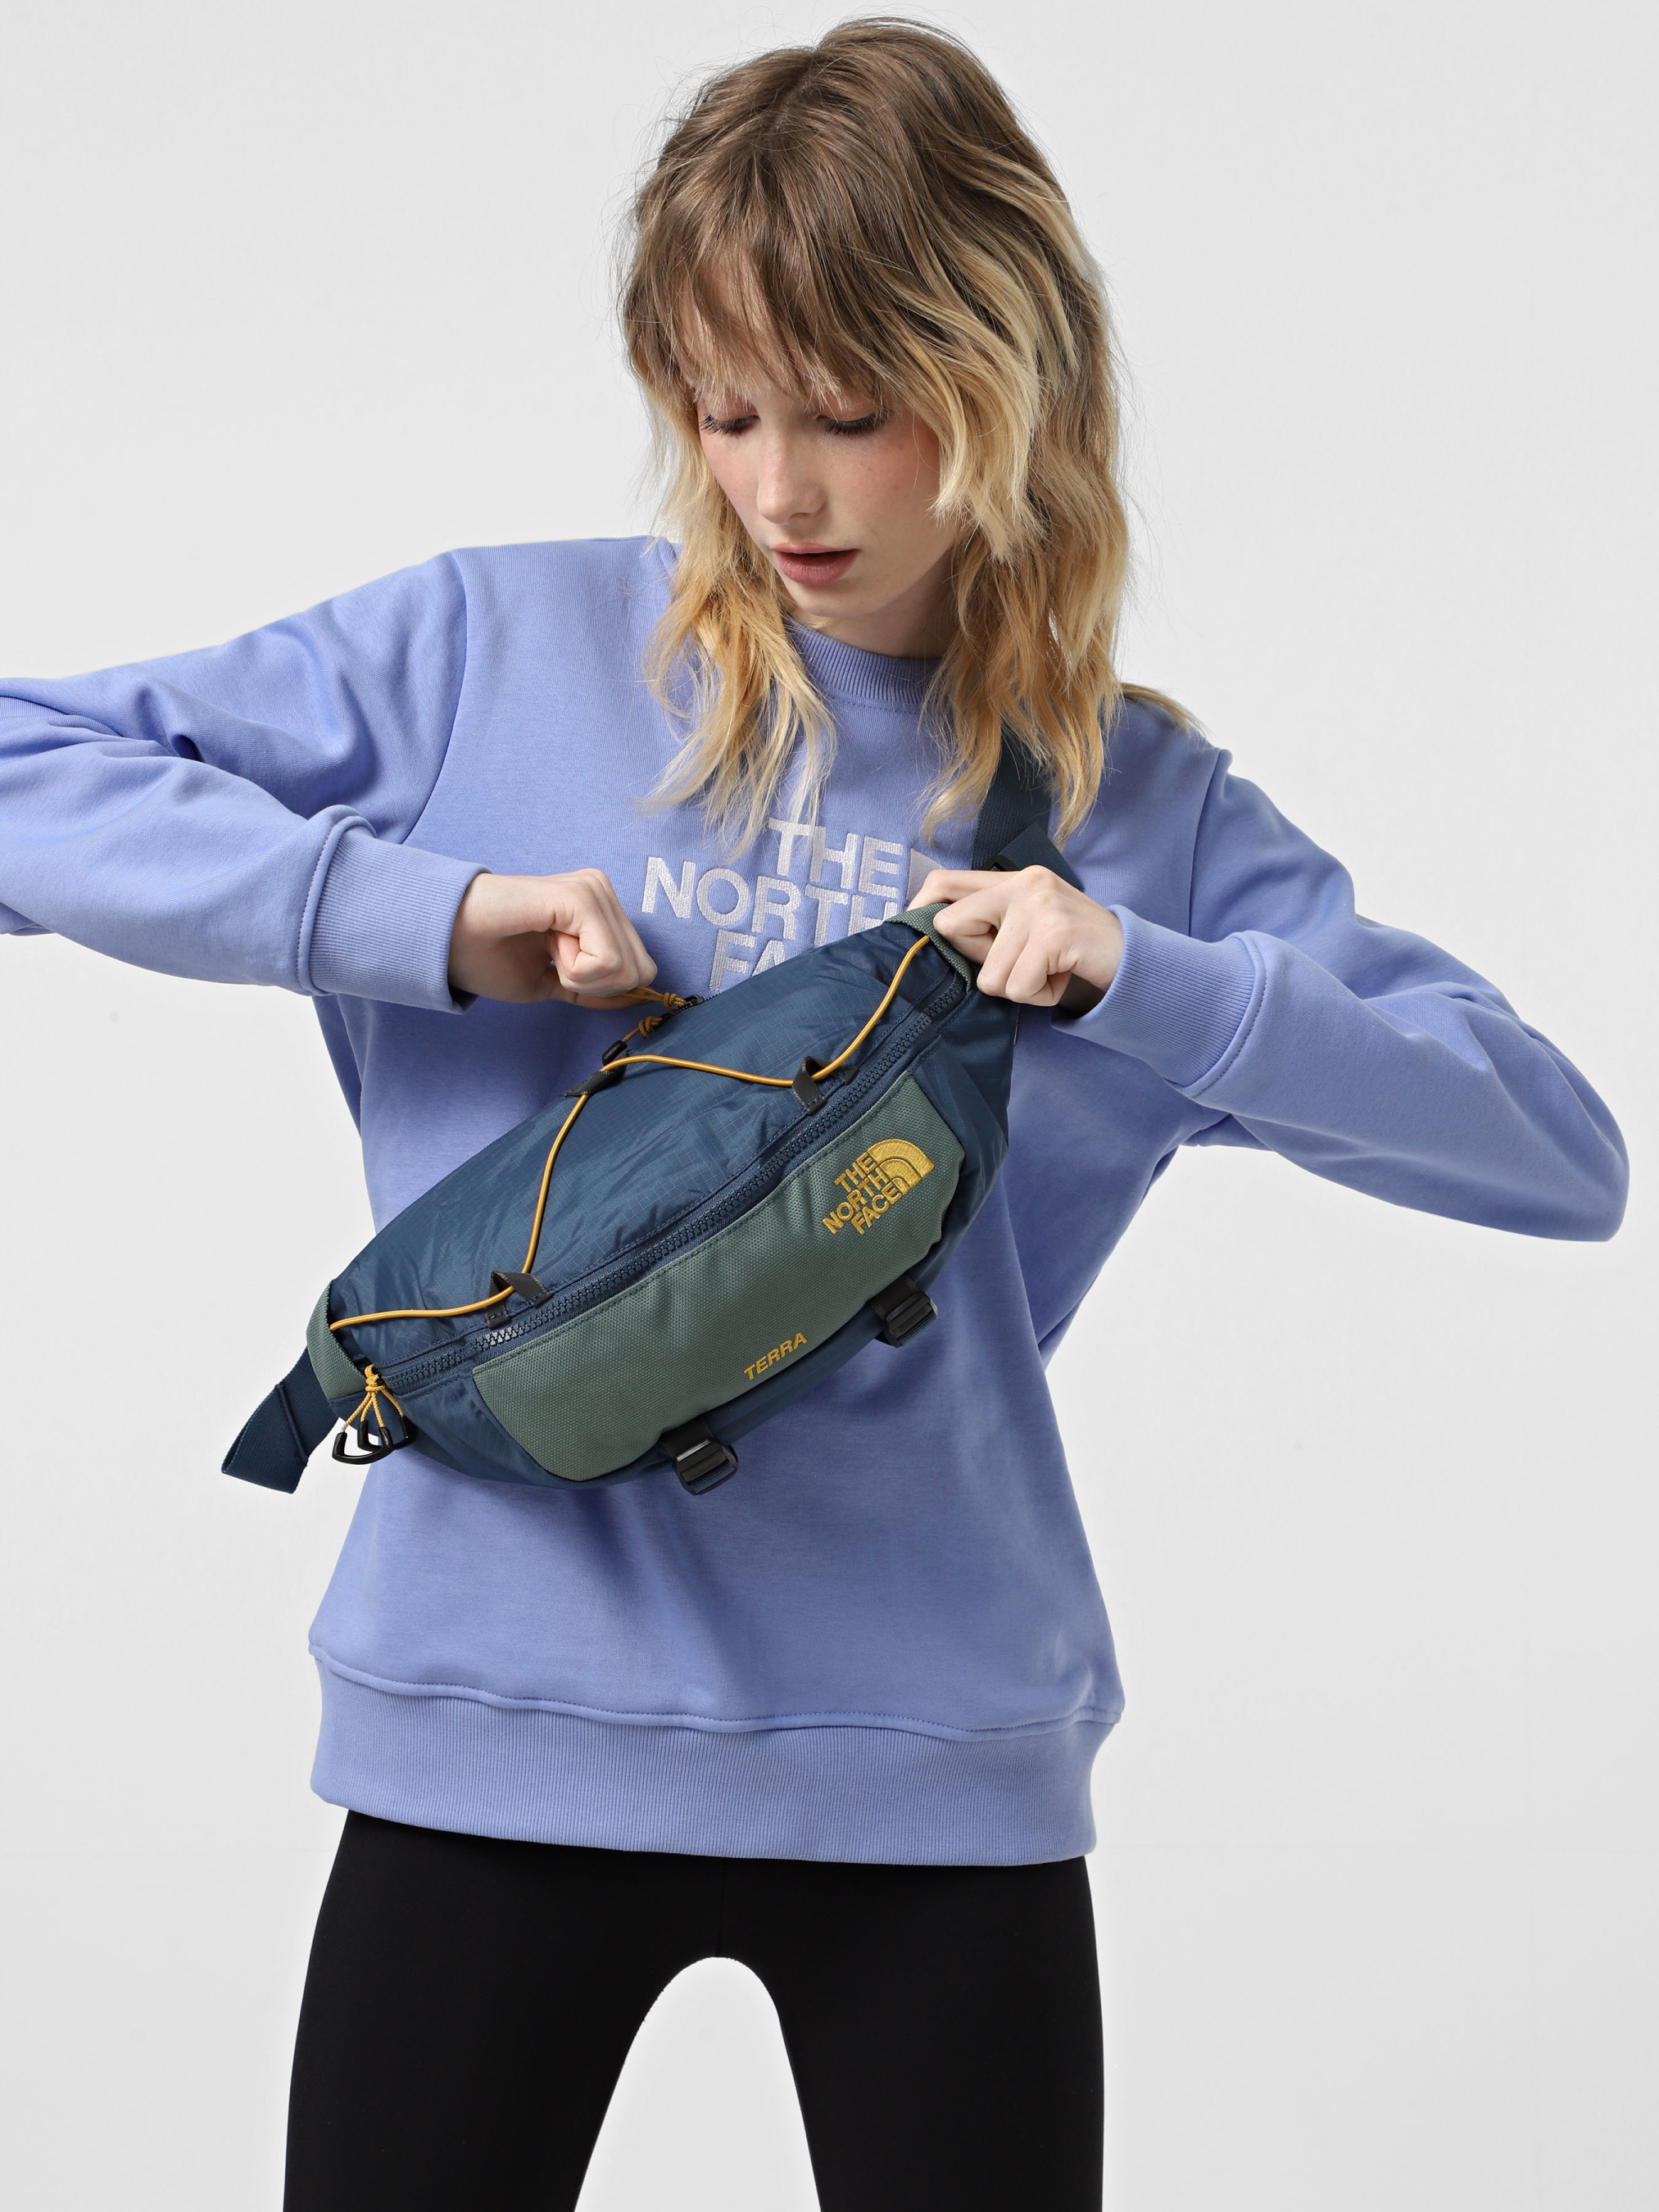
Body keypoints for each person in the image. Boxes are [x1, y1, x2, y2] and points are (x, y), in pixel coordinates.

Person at [0, 20, 1627, 2210]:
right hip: (489, 1735)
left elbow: (1554, 1154)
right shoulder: (492, 651)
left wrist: (1142, 973)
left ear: (1008, 385)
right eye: (722, 405)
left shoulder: (1133, 806)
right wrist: (432, 919)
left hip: (934, 1770)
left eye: (854, 413)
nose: (779, 489)